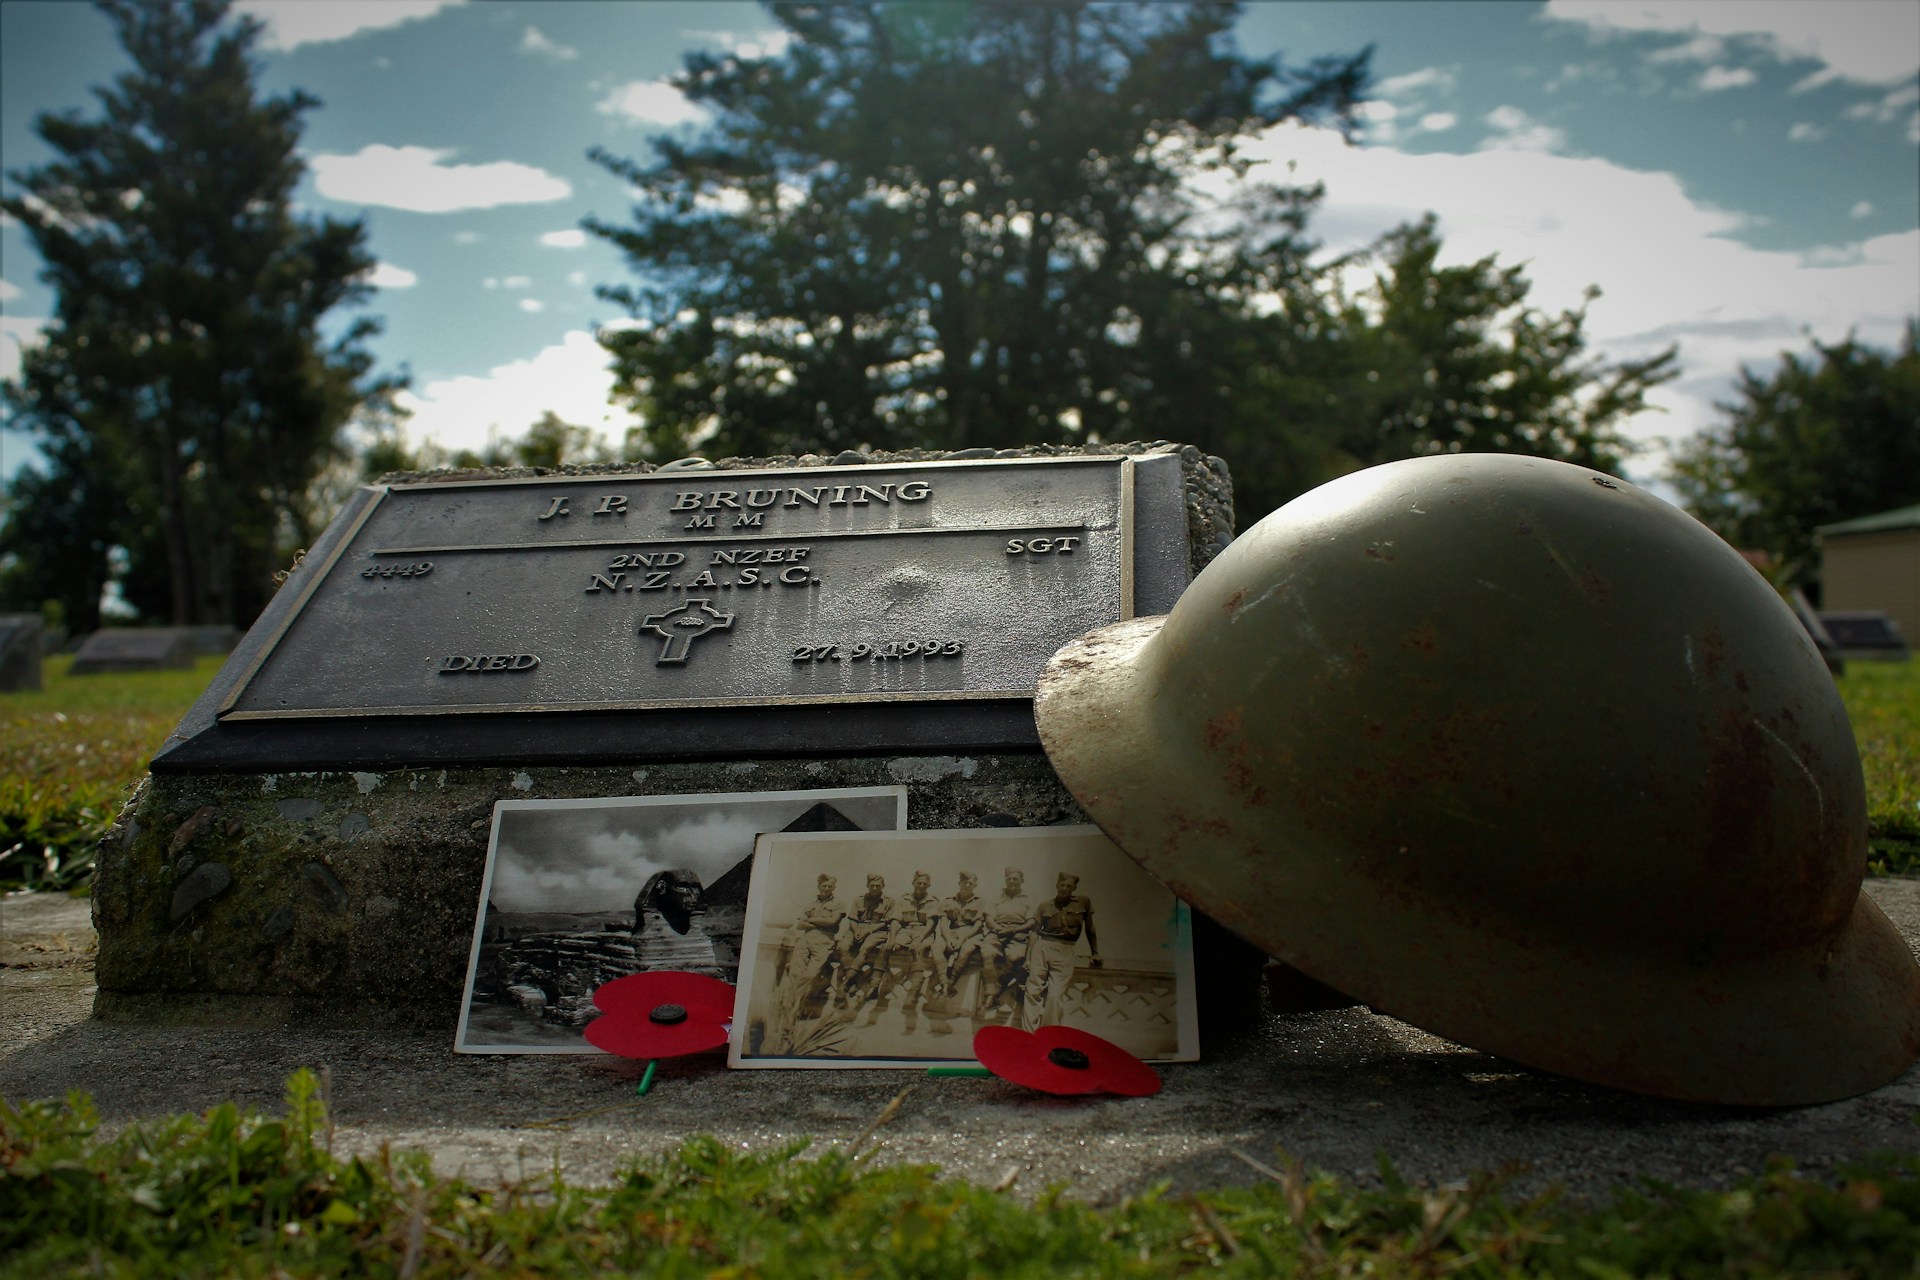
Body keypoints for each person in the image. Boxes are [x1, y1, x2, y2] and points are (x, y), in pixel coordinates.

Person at [768, 873, 845, 1050]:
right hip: (804, 941)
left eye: (830, 886)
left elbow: (834, 922)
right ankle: (789, 1014)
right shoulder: (810, 903)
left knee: (810, 976)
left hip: (824, 942)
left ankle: (795, 1006)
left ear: (834, 888)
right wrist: (820, 922)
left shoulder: (839, 904)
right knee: (794, 974)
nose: (827, 889)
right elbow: (800, 925)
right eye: (824, 886)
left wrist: (811, 920)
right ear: (819, 887)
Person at [1023, 872, 1100, 1030]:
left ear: (1074, 888)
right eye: (1062, 885)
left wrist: (1095, 952)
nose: (1064, 888)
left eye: (1069, 886)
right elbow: (1034, 932)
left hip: (1066, 949)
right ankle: (1028, 1034)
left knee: (1055, 995)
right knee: (1033, 991)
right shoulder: (1045, 905)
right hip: (1043, 946)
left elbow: (1090, 929)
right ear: (1057, 886)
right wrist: (1028, 958)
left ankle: (1048, 1033)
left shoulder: (1083, 902)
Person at [866, 870, 941, 1031]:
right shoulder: (903, 899)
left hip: (924, 932)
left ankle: (913, 994)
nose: (921, 886)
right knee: (886, 949)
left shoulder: (933, 901)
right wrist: (892, 939)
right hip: (905, 931)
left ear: (929, 885)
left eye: (924, 884)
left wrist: (920, 939)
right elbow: (895, 921)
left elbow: (931, 924)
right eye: (918, 883)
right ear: (913, 883)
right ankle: (874, 986)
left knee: (919, 952)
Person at [977, 866, 1034, 1022]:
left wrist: (1015, 929)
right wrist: (999, 929)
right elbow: (989, 920)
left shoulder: (1029, 899)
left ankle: (995, 992)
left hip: (1018, 934)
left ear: (1022, 880)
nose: (1012, 881)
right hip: (997, 933)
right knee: (987, 953)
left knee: (1015, 958)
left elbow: (1032, 921)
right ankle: (989, 996)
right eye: (1008, 878)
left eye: (1015, 878)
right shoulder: (996, 897)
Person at [832, 873, 896, 1006]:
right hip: (857, 928)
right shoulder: (859, 899)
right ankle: (854, 981)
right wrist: (856, 931)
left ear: (883, 886)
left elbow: (886, 923)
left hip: (877, 931)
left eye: (877, 886)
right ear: (867, 885)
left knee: (865, 948)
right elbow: (853, 919)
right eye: (871, 885)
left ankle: (847, 981)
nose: (874, 888)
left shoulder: (889, 901)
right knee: (843, 946)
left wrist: (868, 930)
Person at [632, 868, 717, 970]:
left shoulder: (702, 941)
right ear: (662, 888)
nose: (691, 894)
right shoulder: (647, 943)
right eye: (683, 886)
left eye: (695, 887)